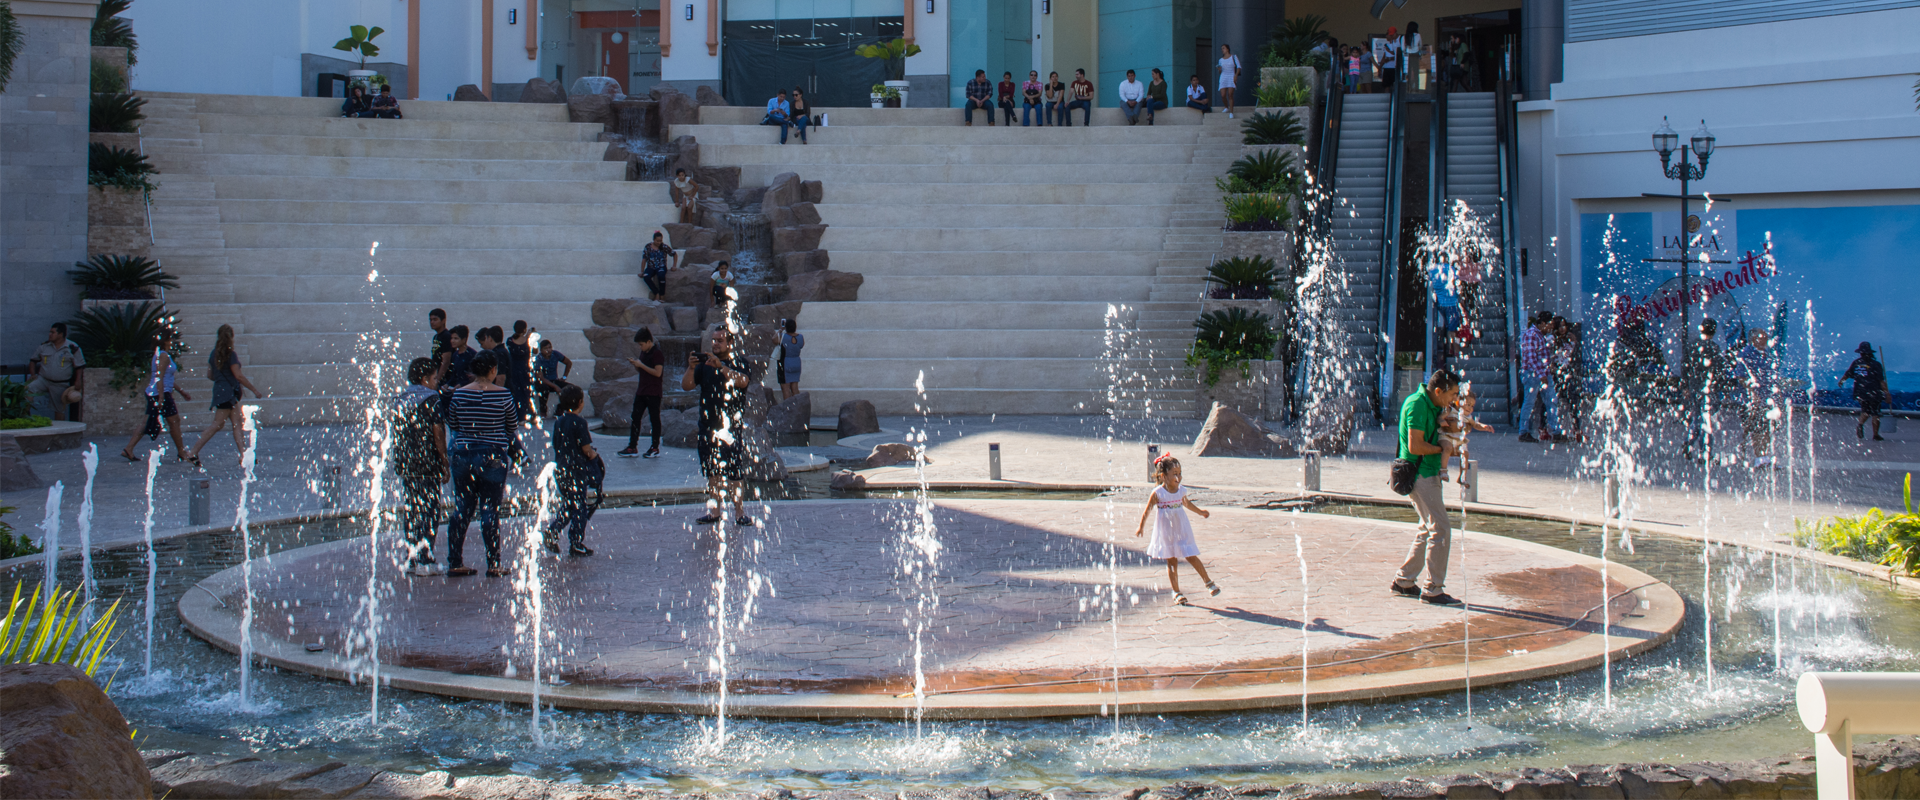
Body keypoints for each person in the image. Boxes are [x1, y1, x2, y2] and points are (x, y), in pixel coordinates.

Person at [440, 350, 520, 577]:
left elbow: (453, 422)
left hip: (463, 454)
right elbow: (511, 426)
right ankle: (494, 563)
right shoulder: (503, 394)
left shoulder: (459, 394)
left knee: (462, 508)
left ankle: (455, 561)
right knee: (489, 509)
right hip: (493, 454)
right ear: (493, 370)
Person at [1390, 366, 1462, 605]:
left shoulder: (1434, 405)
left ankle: (1404, 581)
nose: (1455, 399)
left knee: (1427, 527)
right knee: (1440, 529)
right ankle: (1433, 590)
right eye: (1452, 394)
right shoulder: (1417, 405)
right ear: (1439, 391)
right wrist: (1443, 449)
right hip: (1420, 474)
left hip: (1428, 472)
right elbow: (1415, 447)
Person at [683, 326, 753, 526]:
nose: (715, 343)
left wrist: (721, 367)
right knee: (712, 471)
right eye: (713, 340)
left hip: (730, 429)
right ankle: (714, 512)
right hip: (708, 427)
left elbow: (743, 381)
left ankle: (739, 513)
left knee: (734, 472)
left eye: (719, 340)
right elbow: (686, 386)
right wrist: (690, 367)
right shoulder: (703, 366)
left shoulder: (740, 363)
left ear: (730, 343)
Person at [1132, 455, 1220, 606]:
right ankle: (1176, 592)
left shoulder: (1181, 491)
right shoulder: (1158, 493)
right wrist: (1141, 526)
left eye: (1179, 473)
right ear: (1163, 476)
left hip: (1181, 528)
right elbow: (1147, 510)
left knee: (1191, 555)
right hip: (1166, 531)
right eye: (1174, 473)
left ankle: (1208, 582)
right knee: (1172, 561)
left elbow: (1187, 504)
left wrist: (1200, 512)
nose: (1178, 477)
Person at [391, 357, 447, 576]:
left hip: (407, 462)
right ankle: (426, 558)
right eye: (434, 378)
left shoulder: (401, 399)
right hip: (427, 462)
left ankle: (411, 558)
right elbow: (438, 432)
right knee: (430, 509)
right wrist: (444, 461)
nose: (436, 383)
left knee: (412, 509)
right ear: (425, 379)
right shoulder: (431, 399)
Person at [186, 323, 265, 465]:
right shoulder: (231, 355)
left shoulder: (213, 354)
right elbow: (238, 375)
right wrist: (254, 390)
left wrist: (221, 378)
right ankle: (192, 452)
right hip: (228, 393)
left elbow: (210, 375)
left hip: (220, 391)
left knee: (236, 424)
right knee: (218, 424)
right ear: (231, 337)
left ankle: (243, 455)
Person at [544, 385, 602, 557]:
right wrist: (594, 456)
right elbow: (586, 449)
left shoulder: (559, 421)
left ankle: (553, 531)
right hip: (576, 471)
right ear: (580, 403)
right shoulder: (580, 422)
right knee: (580, 508)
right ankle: (575, 542)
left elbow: (556, 444)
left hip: (561, 469)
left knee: (570, 503)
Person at [119, 328, 192, 465]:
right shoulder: (163, 356)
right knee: (174, 421)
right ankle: (181, 452)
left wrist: (181, 391)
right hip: (160, 393)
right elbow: (159, 377)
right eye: (170, 339)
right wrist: (162, 398)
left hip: (156, 392)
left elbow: (166, 377)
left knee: (147, 422)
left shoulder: (160, 355)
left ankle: (129, 448)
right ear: (164, 340)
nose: (172, 342)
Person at [1732, 329, 1780, 467]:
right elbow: (1741, 377)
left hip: (1766, 398)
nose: (1766, 340)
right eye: (1762, 338)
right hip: (1751, 400)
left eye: (1766, 337)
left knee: (1765, 428)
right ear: (1754, 340)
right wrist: (1752, 393)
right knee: (1756, 429)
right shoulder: (1746, 354)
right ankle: (1757, 457)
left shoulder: (1767, 354)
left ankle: (1763, 457)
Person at [617, 327, 665, 458]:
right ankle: (632, 446)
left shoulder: (657, 353)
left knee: (654, 419)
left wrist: (641, 365)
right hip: (642, 390)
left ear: (649, 341)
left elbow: (657, 372)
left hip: (653, 392)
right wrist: (636, 365)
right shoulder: (644, 353)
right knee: (635, 418)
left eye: (641, 344)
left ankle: (655, 447)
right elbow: (643, 371)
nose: (640, 347)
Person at [26, 323, 84, 421]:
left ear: (60, 334)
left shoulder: (72, 347)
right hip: (43, 379)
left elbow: (79, 366)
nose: (50, 334)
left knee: (59, 409)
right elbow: (33, 360)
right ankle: (26, 418)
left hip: (60, 383)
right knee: (28, 390)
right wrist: (33, 374)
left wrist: (78, 380)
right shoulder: (44, 346)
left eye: (52, 332)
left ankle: (59, 431)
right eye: (50, 332)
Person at [1516, 312, 1559, 443]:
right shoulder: (1531, 334)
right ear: (1543, 324)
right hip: (1533, 374)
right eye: (1549, 325)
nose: (1551, 328)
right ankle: (1523, 432)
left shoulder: (1541, 335)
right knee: (1529, 402)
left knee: (1551, 401)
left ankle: (1556, 431)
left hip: (1542, 373)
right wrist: (1542, 375)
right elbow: (1531, 358)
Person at [1440, 388, 1495, 488]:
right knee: (1447, 448)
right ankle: (1443, 470)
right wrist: (1441, 421)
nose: (1469, 408)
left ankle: (1462, 476)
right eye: (1467, 404)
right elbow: (1440, 417)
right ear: (1458, 401)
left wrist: (1485, 427)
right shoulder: (1450, 410)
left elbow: (1475, 425)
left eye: (1472, 406)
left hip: (1458, 439)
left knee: (1465, 454)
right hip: (1447, 436)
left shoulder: (1467, 416)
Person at [1838, 341, 1891, 442]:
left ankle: (1860, 424)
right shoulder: (1876, 364)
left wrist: (1841, 381)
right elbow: (1881, 381)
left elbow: (1848, 374)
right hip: (1874, 392)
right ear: (1870, 353)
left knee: (1865, 410)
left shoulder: (1856, 363)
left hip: (1860, 391)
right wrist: (1887, 393)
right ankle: (1875, 434)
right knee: (1875, 413)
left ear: (1860, 353)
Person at [1426, 259, 1461, 373]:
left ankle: (1451, 348)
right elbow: (1457, 282)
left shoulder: (1432, 270)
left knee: (1449, 326)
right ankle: (1454, 349)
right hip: (1452, 303)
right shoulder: (1450, 268)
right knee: (1452, 327)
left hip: (1441, 304)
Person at [533, 339, 573, 418]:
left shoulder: (555, 354)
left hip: (554, 380)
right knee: (544, 389)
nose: (548, 350)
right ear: (541, 350)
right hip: (542, 382)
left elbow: (568, 363)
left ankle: (560, 409)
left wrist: (564, 377)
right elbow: (541, 378)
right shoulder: (539, 359)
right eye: (545, 349)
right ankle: (543, 411)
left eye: (549, 347)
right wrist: (555, 387)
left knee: (571, 389)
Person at [505, 321, 535, 420]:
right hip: (525, 369)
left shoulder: (509, 340)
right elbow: (535, 351)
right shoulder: (528, 340)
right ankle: (531, 414)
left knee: (516, 393)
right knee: (527, 392)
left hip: (513, 369)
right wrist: (530, 336)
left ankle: (519, 416)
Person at [641, 230, 677, 301]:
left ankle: (662, 295)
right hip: (651, 267)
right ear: (653, 240)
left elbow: (674, 254)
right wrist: (642, 271)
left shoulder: (664, 247)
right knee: (646, 276)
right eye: (657, 241)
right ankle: (656, 293)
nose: (659, 242)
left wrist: (674, 265)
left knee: (661, 276)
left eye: (660, 241)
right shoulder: (648, 247)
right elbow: (644, 259)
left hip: (661, 266)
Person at [442, 325, 476, 392]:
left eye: (456, 338)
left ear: (464, 339)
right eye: (452, 338)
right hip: (457, 390)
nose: (452, 341)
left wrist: (462, 384)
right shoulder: (455, 354)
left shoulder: (472, 354)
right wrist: (447, 384)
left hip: (469, 391)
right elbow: (454, 375)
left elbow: (474, 377)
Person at [779, 318, 804, 400]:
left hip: (786, 363)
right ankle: (798, 406)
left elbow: (774, 339)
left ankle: (788, 409)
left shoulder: (783, 337)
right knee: (795, 388)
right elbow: (801, 345)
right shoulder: (800, 337)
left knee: (786, 388)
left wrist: (780, 329)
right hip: (796, 362)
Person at [1217, 44, 1242, 118]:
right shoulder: (1220, 60)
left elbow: (1239, 67)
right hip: (1223, 76)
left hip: (1231, 76)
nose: (1222, 50)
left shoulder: (1233, 57)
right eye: (1221, 48)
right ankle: (1226, 107)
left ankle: (1231, 112)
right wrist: (1219, 69)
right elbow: (1220, 72)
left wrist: (1236, 75)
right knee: (1223, 95)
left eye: (1223, 48)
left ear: (1227, 49)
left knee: (1230, 94)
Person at [428, 308, 452, 382]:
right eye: (430, 320)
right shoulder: (436, 337)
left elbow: (446, 361)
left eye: (435, 320)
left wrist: (438, 379)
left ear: (443, 320)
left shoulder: (446, 336)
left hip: (446, 378)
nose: (432, 322)